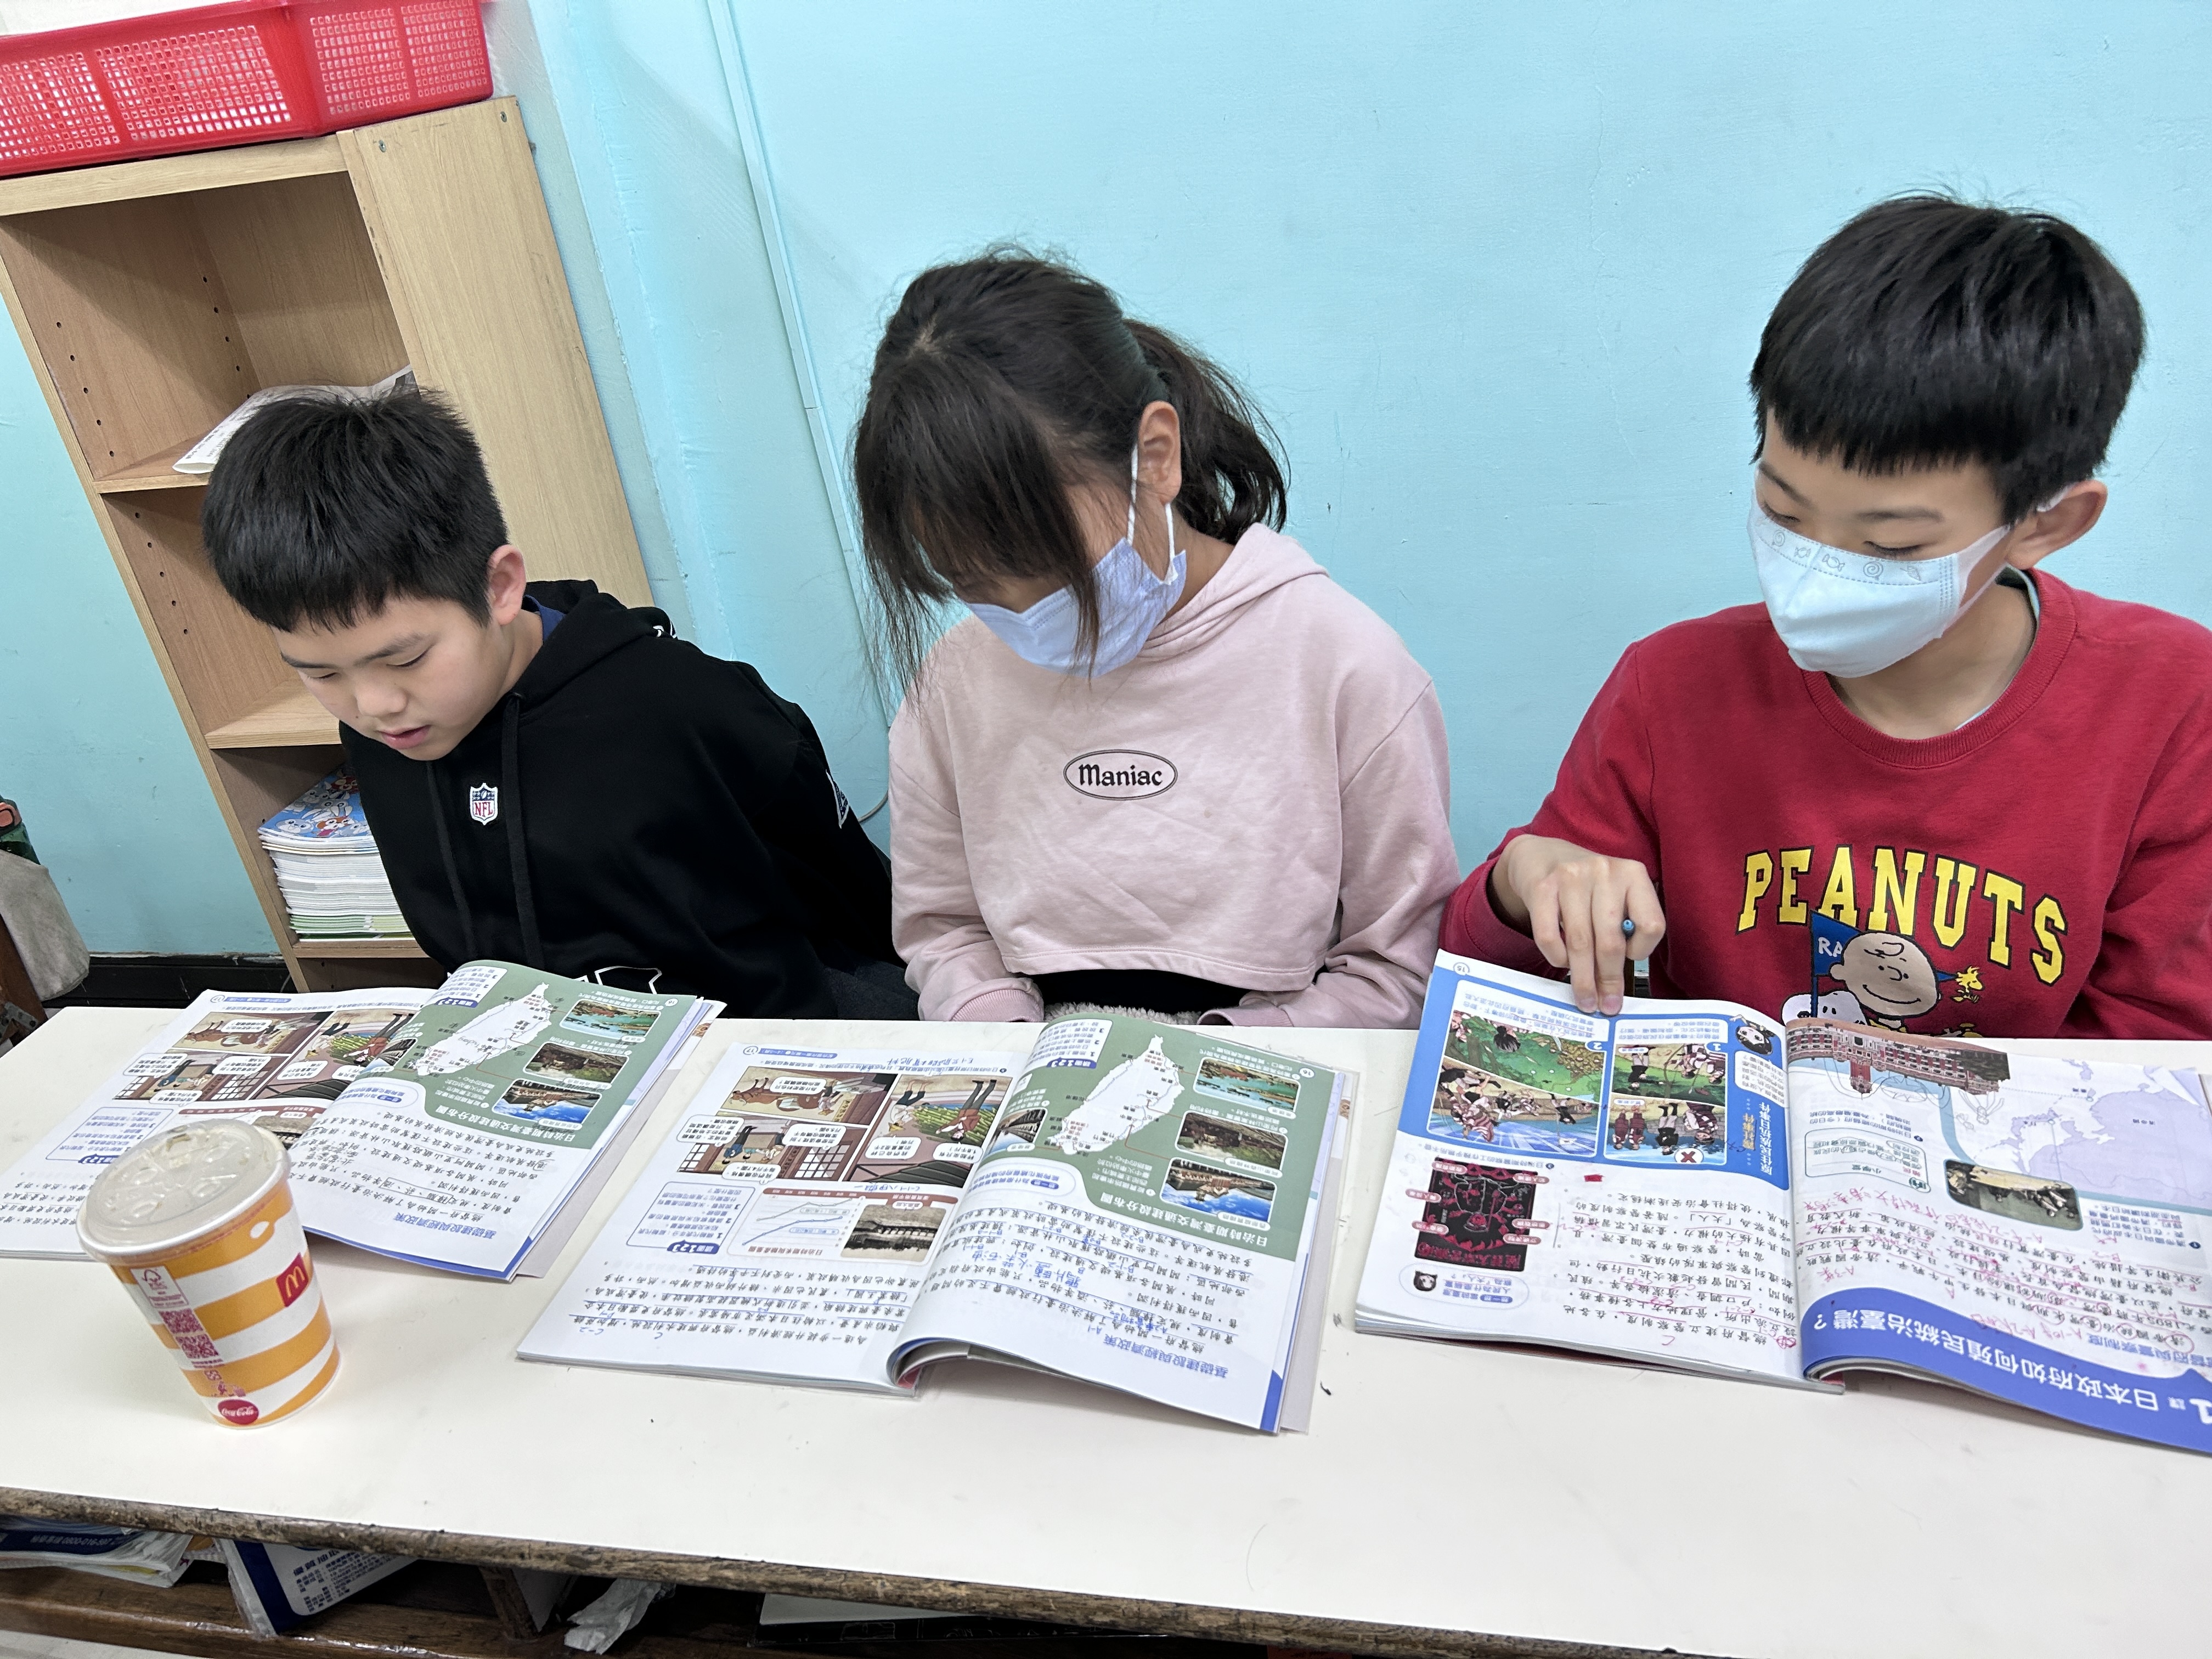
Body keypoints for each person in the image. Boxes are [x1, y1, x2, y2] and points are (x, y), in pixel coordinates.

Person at [1443, 195, 2212, 1039]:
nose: (1816, 577)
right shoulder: (1672, 686)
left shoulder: (2172, 702)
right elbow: (1495, 989)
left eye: (1890, 545)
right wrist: (1522, 886)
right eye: (1783, 512)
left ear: (2044, 525)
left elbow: (2161, 1047)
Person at [854, 250, 1457, 1025]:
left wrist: (1227, 1060)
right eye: (971, 583)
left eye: (1047, 566)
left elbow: (1394, 971)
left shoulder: (1345, 666)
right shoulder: (954, 682)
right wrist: (997, 1029)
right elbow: (944, 930)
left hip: (1274, 1054)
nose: (1024, 614)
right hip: (1031, 1057)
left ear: (1157, 458)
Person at [201, 387, 909, 1017]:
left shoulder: (687, 708)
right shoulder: (393, 728)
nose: (373, 706)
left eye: (407, 659)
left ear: (500, 587)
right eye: (321, 673)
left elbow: (852, 903)